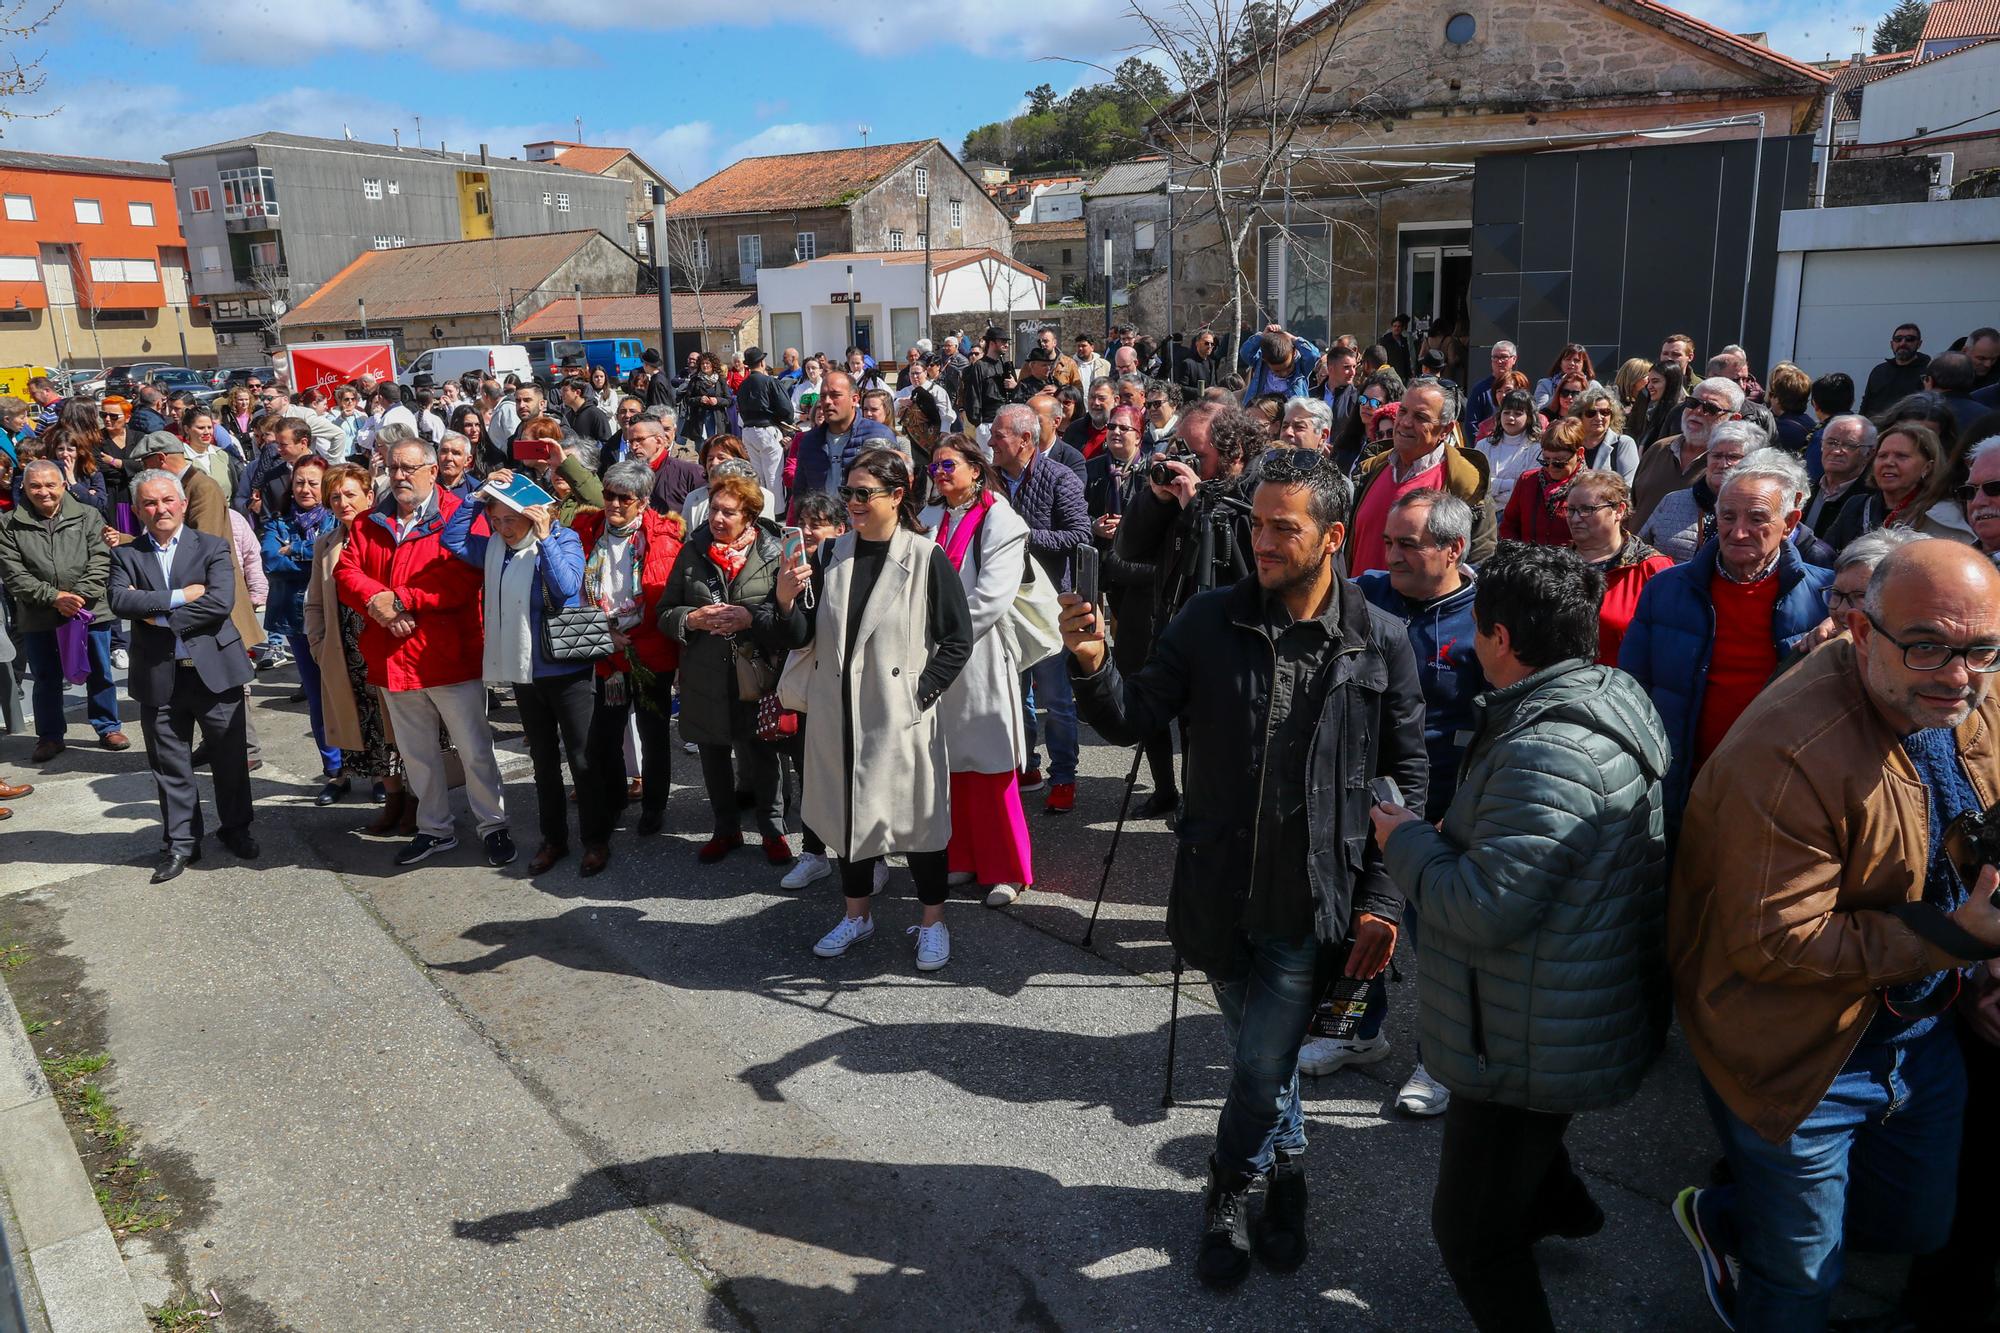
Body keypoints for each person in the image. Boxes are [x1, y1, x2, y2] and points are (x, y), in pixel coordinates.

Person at [1062, 445, 1426, 1289]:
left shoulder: (1381, 639)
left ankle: (1227, 1188)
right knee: (1261, 1056)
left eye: (1282, 528)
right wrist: (1091, 664)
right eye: (1256, 523)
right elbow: (1135, 715)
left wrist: (1384, 896)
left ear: (1333, 536)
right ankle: (1290, 1166)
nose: (1260, 541)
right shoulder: (1205, 620)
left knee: (1263, 1060)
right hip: (1217, 892)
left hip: (1314, 899)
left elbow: (1404, 780)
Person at [1668, 537, 2000, 1331]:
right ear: (1859, 632)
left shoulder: (1971, 694)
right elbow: (1776, 941)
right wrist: (1956, 938)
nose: (1958, 675)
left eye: (1980, 649)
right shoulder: (1790, 753)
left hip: (1918, 1033)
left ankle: (1731, 1214)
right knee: (1798, 1284)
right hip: (1798, 1053)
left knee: (1915, 1226)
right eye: (1926, 647)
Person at [1372, 542, 1671, 1333]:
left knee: (1469, 1233)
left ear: (1499, 637)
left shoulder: (1548, 750)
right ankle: (1562, 1208)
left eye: (1476, 625)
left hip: (1523, 1031)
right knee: (1528, 1150)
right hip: (1556, 997)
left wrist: (1404, 838)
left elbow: (1480, 907)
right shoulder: (1598, 698)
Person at [775, 449, 973, 968]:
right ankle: (856, 915)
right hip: (838, 713)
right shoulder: (830, 553)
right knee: (848, 821)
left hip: (898, 714)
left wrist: (920, 692)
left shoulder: (926, 556)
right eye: (850, 493)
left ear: (898, 495)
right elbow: (801, 638)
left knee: (920, 825)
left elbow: (957, 639)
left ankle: (933, 922)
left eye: (865, 494)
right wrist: (785, 598)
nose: (854, 504)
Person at [1337, 487, 1485, 1116]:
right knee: (1353, 913)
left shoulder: (1487, 612)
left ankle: (1442, 1059)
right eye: (1388, 541)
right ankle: (1351, 1030)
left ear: (1453, 548)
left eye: (1408, 544)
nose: (1390, 555)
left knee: (1443, 938)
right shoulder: (1362, 596)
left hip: (1451, 797)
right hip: (1362, 789)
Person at [1620, 448, 1833, 834]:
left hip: (1776, 790)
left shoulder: (1825, 596)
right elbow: (1633, 685)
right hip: (1678, 781)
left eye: (1757, 519)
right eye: (1728, 517)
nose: (1738, 532)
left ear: (1790, 523)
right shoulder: (1667, 588)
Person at [335, 432, 513, 869]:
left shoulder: (460, 515)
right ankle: (435, 829)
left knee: (473, 749)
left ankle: (493, 825)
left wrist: (401, 600)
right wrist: (382, 605)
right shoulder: (369, 521)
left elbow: (464, 577)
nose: (397, 476)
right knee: (417, 754)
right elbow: (346, 573)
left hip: (449, 655)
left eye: (407, 468)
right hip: (393, 657)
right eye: (391, 468)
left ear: (433, 471)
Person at [107, 469, 258, 883]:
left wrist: (156, 615)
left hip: (215, 673)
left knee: (230, 760)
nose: (160, 509)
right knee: (170, 766)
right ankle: (181, 843)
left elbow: (219, 602)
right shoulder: (125, 555)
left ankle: (236, 829)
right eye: (150, 503)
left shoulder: (211, 546)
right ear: (137, 510)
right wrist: (178, 597)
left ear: (183, 503)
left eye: (167, 500)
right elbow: (119, 600)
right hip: (160, 676)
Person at [440, 470, 592, 876]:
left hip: (567, 668)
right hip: (525, 671)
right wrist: (476, 494)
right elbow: (451, 540)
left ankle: (596, 840)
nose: (504, 529)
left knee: (581, 758)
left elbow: (564, 589)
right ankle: (553, 840)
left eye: (512, 520)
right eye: (497, 520)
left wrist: (544, 539)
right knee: (543, 760)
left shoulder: (564, 539)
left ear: (535, 515)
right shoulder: (494, 549)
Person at [918, 437, 1036, 906]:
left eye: (948, 464)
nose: (940, 473)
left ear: (974, 467)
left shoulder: (1000, 518)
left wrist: (944, 636)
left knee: (990, 762)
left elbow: (992, 596)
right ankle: (962, 857)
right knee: (948, 763)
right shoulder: (928, 519)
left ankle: (1008, 868)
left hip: (978, 655)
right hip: (934, 655)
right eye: (933, 468)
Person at [659, 469, 792, 864]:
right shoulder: (692, 551)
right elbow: (665, 612)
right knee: (713, 752)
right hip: (705, 674)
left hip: (756, 673)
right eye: (715, 510)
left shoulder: (772, 552)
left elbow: (786, 614)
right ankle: (726, 829)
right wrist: (691, 619)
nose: (718, 518)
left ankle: (773, 831)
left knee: (763, 752)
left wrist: (749, 617)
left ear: (749, 517)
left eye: (728, 513)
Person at [571, 459, 685, 858]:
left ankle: (654, 805)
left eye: (624, 498)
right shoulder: (587, 530)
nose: (614, 504)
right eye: (609, 495)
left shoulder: (665, 538)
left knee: (654, 735)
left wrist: (631, 636)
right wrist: (606, 634)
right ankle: (616, 795)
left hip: (649, 650)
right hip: (605, 650)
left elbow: (668, 600)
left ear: (643, 502)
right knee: (604, 735)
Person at [988, 403, 1089, 812]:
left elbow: (1080, 536)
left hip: (1048, 606)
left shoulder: (1059, 477)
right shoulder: (990, 480)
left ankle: (1063, 776)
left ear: (1025, 440)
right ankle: (1024, 763)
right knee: (1014, 694)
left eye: (999, 435)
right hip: (1004, 603)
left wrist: (1024, 538)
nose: (991, 442)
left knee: (1057, 699)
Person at [0, 458, 126, 759]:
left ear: (63, 485)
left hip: (89, 611)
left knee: (98, 671)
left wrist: (77, 597)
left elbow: (100, 560)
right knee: (46, 677)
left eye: (50, 485)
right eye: (35, 486)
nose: (43, 492)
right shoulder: (9, 524)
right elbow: (13, 574)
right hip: (39, 613)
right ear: (25, 488)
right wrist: (54, 597)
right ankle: (50, 736)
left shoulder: (88, 515)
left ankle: (108, 726)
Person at [302, 461, 404, 819]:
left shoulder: (390, 533)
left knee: (400, 729)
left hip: (388, 648)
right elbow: (314, 601)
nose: (343, 502)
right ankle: (392, 800)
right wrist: (319, 645)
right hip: (345, 652)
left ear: (369, 496)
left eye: (350, 494)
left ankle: (417, 804)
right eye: (334, 497)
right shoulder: (326, 544)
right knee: (369, 727)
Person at [1348, 378, 1497, 574]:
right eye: (1403, 411)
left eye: (1421, 417)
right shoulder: (1371, 469)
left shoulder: (1466, 487)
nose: (1406, 422)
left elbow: (1478, 565)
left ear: (1445, 429)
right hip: (1359, 601)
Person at [259, 456, 343, 785]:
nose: (305, 489)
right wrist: (315, 555)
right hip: (296, 620)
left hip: (337, 617)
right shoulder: (278, 521)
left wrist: (294, 549)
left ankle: (373, 770)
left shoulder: (337, 520)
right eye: (299, 482)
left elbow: (337, 565)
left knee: (351, 693)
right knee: (318, 696)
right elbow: (271, 562)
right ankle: (334, 771)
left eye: (313, 482)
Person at [1562, 469, 1672, 665]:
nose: (1576, 518)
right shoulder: (1555, 565)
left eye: (1587, 509)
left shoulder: (1652, 569)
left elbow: (1669, 644)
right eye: (1571, 510)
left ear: (1619, 511)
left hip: (1623, 687)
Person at [1826, 419, 1975, 548]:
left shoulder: (1942, 517)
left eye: (1901, 456)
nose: (1889, 462)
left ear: (1927, 467)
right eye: (1882, 456)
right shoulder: (1857, 505)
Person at [1638, 421, 1762, 565]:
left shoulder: (1759, 512)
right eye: (1716, 456)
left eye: (1733, 457)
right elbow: (1639, 549)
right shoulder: (1673, 501)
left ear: (1753, 462)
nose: (1722, 464)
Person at [1627, 375, 1741, 531]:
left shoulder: (1732, 465)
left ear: (1733, 419)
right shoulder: (1659, 449)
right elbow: (1633, 504)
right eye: (1692, 403)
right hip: (1635, 553)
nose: (1698, 411)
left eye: (1711, 408)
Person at [789, 371, 895, 507]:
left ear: (855, 399)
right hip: (824, 524)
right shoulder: (810, 441)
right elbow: (800, 492)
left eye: (835, 395)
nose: (827, 402)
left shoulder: (879, 436)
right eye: (823, 396)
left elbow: (892, 491)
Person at [1499, 415, 1587, 547]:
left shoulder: (1590, 487)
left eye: (1559, 462)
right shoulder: (1528, 481)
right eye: (1545, 460)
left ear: (1579, 453)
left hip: (1572, 563)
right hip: (1528, 562)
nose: (1551, 467)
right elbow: (1509, 526)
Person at [733, 347, 796, 505]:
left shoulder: (742, 386)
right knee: (773, 474)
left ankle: (762, 509)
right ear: (762, 362)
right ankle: (777, 511)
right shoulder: (770, 382)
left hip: (748, 431)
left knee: (758, 476)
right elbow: (787, 410)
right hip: (767, 430)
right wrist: (784, 420)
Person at [1803, 414, 1875, 538]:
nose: (1836, 451)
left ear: (1869, 454)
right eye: (1831, 443)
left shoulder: (1872, 501)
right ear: (1821, 445)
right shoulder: (1805, 488)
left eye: (1849, 445)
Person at [1473, 387, 1541, 512]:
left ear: (1530, 417)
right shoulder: (1483, 445)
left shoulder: (1537, 449)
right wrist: (1511, 484)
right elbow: (1475, 483)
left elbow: (1529, 488)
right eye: (1506, 412)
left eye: (1518, 414)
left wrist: (1493, 487)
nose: (1510, 418)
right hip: (1484, 514)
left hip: (1518, 514)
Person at [1859, 322, 1930, 417]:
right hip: (1877, 428)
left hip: (1910, 429)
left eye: (1910, 339)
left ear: (1919, 344)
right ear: (1892, 344)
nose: (1903, 343)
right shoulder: (1879, 371)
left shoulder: (1928, 372)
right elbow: (1866, 403)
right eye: (1898, 339)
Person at [1569, 385, 1638, 479]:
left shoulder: (1623, 444)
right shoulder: (1570, 443)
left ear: (1612, 415)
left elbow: (1628, 485)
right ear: (1580, 416)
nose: (1598, 418)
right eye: (1591, 413)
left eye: (1605, 412)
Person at [1461, 341, 1517, 433]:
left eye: (1504, 357)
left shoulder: (1519, 386)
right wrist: (1482, 445)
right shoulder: (1480, 390)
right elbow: (1471, 425)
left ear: (1514, 359)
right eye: (1495, 357)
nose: (1499, 361)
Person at [1532, 344, 1597, 410]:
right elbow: (1539, 411)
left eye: (1576, 360)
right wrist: (1560, 387)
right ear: (1560, 363)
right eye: (1567, 359)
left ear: (1584, 365)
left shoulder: (1593, 385)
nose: (1571, 363)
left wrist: (1585, 388)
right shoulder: (1545, 384)